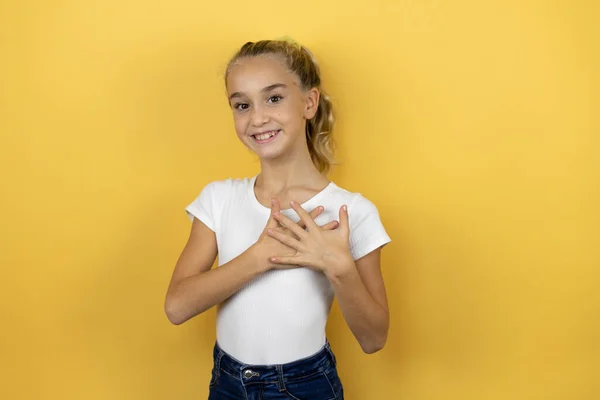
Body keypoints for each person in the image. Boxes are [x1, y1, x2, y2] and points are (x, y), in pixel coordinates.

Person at [164, 38, 392, 400]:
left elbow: (374, 339)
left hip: (306, 386)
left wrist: (340, 268)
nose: (257, 118)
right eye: (241, 104)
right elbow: (176, 307)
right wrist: (260, 257)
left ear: (309, 102)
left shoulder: (352, 212)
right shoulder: (219, 198)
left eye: (273, 98)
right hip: (227, 383)